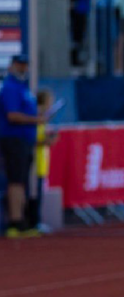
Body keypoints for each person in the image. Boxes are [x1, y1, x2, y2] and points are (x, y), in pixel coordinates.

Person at [0, 55, 46, 238]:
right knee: (16, 181)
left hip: (25, 140)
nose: (23, 68)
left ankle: (22, 221)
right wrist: (36, 119)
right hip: (14, 139)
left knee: (22, 181)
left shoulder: (22, 88)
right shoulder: (10, 87)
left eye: (25, 65)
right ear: (12, 66)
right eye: (20, 65)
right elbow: (12, 115)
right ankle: (15, 222)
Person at [29, 89, 57, 233]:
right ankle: (34, 222)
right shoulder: (35, 117)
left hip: (41, 161)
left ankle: (37, 221)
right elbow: (33, 140)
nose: (50, 104)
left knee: (39, 192)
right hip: (35, 162)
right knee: (35, 193)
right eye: (49, 101)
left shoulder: (42, 119)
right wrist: (46, 141)